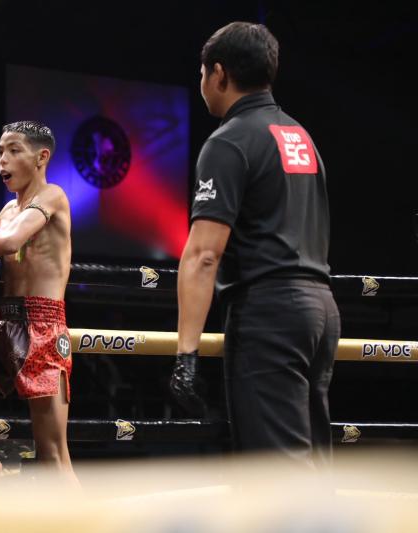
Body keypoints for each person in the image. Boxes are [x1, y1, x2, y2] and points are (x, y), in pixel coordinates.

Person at [172, 22, 339, 467]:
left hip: (270, 313)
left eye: (202, 72)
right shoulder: (300, 136)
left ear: (219, 74)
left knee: (277, 472)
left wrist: (186, 354)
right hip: (320, 309)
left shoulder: (229, 141)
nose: (201, 83)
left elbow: (203, 254)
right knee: (312, 463)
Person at [0, 121, 77, 484]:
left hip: (42, 325)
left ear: (41, 157)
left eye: (14, 150)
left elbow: (9, 241)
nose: (3, 160)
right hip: (1, 324)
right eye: (0, 152)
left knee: (52, 454)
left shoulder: (52, 196)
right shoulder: (6, 211)